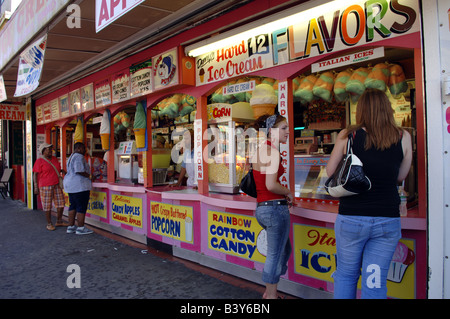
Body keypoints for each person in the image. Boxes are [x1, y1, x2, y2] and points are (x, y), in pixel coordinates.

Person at [326, 88, 413, 299]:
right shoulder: (403, 136)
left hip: (352, 218)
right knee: (374, 280)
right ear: (388, 109)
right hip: (387, 219)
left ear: (361, 110)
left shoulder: (348, 135)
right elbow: (400, 176)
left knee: (346, 275)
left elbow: (330, 172)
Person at [252, 114, 292, 299]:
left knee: (283, 250)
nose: (287, 131)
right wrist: (287, 192)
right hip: (275, 208)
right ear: (271, 131)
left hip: (262, 208)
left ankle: (270, 291)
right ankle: (271, 295)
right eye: (283, 128)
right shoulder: (273, 152)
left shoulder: (259, 150)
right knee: (275, 255)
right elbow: (271, 185)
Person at [33, 143, 68, 231]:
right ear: (43, 151)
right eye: (48, 149)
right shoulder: (39, 161)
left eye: (50, 149)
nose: (50, 151)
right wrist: (36, 186)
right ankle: (49, 223)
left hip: (56, 184)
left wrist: (62, 171)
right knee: (47, 205)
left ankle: (59, 221)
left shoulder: (55, 159)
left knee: (61, 203)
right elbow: (35, 174)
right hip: (45, 185)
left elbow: (57, 168)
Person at [64, 142, 93, 235]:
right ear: (79, 148)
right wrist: (90, 176)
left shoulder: (71, 156)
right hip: (79, 186)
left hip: (71, 185)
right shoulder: (79, 157)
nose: (85, 150)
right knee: (81, 206)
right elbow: (79, 170)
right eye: (84, 148)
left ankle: (71, 226)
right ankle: (80, 228)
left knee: (73, 206)